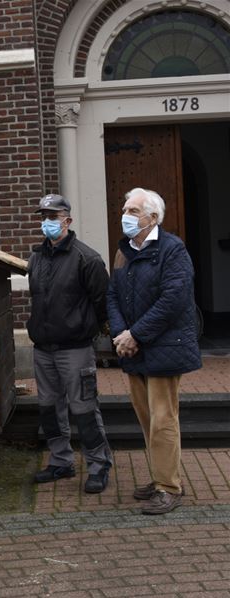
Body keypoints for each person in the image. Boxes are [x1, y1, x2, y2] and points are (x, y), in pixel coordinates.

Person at [107, 187, 201, 515]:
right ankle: (161, 475)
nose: (126, 216)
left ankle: (169, 487)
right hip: (133, 349)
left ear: (153, 217)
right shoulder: (124, 252)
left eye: (133, 211)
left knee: (163, 419)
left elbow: (173, 300)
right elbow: (113, 296)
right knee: (147, 419)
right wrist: (121, 333)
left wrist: (136, 334)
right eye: (125, 209)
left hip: (163, 347)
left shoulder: (172, 250)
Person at [27, 194, 113, 493]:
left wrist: (93, 332)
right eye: (44, 216)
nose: (48, 222)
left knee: (85, 409)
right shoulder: (36, 258)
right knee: (49, 408)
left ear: (68, 220)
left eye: (54, 216)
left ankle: (98, 466)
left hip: (75, 349)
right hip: (43, 349)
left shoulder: (86, 258)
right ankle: (60, 461)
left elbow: (102, 302)